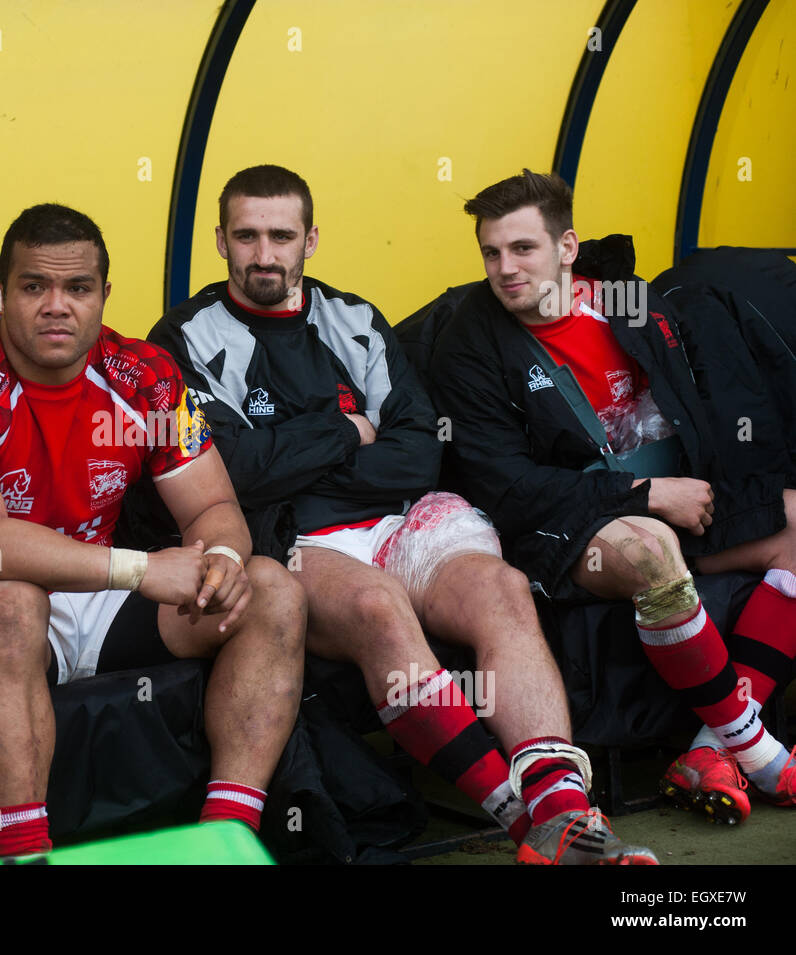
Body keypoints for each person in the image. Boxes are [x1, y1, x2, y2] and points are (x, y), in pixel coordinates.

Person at [148, 164, 656, 864]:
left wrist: (301, 452)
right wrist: (347, 428)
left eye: (281, 235)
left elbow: (419, 451)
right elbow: (232, 470)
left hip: (403, 517)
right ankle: (529, 826)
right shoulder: (183, 338)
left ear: (311, 239)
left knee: (502, 590)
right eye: (246, 236)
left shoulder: (354, 317)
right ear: (218, 241)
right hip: (294, 538)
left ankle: (565, 809)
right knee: (380, 606)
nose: (264, 253)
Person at [0, 203, 305, 858]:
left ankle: (225, 836)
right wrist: (141, 569)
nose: (56, 306)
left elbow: (213, 507)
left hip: (93, 601)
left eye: (77, 288)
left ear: (104, 294)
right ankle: (23, 853)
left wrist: (219, 558)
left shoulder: (146, 375)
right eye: (33, 287)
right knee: (13, 605)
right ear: (1, 295)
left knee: (270, 587)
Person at [428, 169, 796, 825]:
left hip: (676, 491)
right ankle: (756, 747)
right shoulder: (470, 344)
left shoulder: (630, 303)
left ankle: (710, 750)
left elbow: (701, 407)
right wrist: (643, 492)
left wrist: (727, 488)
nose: (504, 269)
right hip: (567, 523)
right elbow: (508, 486)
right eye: (491, 252)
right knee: (652, 552)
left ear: (567, 247)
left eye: (523, 249)